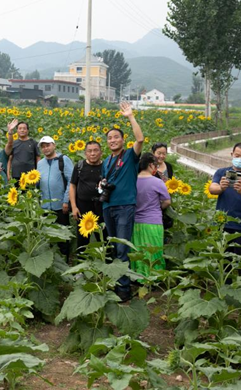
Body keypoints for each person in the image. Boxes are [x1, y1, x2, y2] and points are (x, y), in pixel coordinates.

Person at [100, 101, 145, 302]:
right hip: (108, 206)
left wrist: (130, 117)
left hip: (125, 205)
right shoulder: (107, 161)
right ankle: (117, 281)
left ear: (122, 139)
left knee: (122, 247)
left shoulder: (129, 156)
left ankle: (123, 289)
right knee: (113, 246)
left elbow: (141, 139)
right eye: (109, 138)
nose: (112, 140)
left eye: (116, 137)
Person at [209, 142, 241, 257]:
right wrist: (221, 188)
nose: (239, 159)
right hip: (222, 223)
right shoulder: (222, 172)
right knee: (223, 259)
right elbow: (212, 188)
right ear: (232, 154)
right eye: (237, 156)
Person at [132, 153, 171, 279]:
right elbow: (167, 201)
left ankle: (138, 277)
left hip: (136, 222)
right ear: (150, 165)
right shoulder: (157, 182)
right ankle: (155, 278)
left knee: (138, 251)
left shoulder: (132, 181)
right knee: (154, 251)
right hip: (153, 222)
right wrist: (158, 207)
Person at [37, 136, 74, 255]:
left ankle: (65, 259)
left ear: (54, 145)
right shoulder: (40, 163)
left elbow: (71, 181)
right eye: (43, 147)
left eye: (48, 145)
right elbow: (39, 182)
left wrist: (66, 201)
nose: (45, 149)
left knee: (62, 235)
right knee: (48, 236)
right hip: (45, 206)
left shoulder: (63, 160)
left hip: (60, 205)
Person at [69, 141, 104, 254]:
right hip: (83, 207)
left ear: (101, 152)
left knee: (103, 236)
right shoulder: (80, 166)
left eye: (95, 150)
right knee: (82, 238)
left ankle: (105, 266)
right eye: (89, 151)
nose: (92, 153)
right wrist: (74, 207)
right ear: (85, 153)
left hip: (101, 206)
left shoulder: (106, 166)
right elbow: (73, 186)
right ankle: (81, 265)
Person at [150, 142, 175, 234]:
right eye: (159, 153)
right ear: (153, 153)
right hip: (154, 203)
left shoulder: (168, 166)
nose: (161, 156)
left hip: (167, 201)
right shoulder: (149, 167)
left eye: (164, 154)